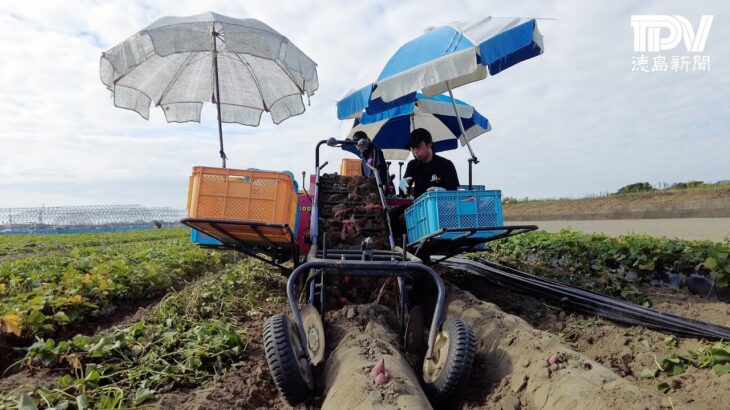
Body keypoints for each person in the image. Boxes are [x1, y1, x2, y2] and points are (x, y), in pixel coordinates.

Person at [390, 128, 460, 240]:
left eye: (418, 147)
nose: (415, 151)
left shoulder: (446, 165)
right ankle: (402, 246)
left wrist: (442, 192)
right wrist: (403, 187)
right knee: (392, 215)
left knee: (407, 218)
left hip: (440, 208)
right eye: (413, 148)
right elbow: (404, 193)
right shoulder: (412, 165)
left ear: (429, 144)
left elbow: (454, 192)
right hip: (418, 206)